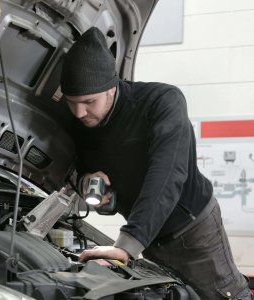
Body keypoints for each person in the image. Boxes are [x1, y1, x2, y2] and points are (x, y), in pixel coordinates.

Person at [60, 27, 252, 299]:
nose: (79, 112)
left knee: (223, 296)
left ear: (112, 89)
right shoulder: (79, 122)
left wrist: (127, 245)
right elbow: (72, 165)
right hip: (148, 238)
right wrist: (85, 183)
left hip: (194, 232)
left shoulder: (161, 102)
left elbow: (168, 173)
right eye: (71, 102)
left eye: (89, 102)